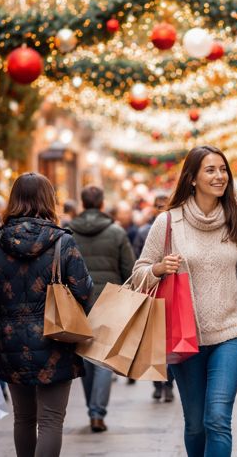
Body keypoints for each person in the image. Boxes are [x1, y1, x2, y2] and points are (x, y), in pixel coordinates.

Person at [131, 145, 237, 457]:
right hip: (184, 338)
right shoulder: (168, 223)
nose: (220, 176)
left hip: (231, 333)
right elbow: (138, 273)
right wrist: (157, 269)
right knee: (195, 424)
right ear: (192, 178)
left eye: (223, 170)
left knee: (217, 419)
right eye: (211, 170)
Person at [0, 173, 92, 457]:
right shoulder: (62, 242)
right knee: (51, 420)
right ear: (48, 200)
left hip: (11, 342)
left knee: (24, 418)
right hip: (56, 339)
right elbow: (85, 290)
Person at [69, 185, 135, 432]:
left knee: (85, 358)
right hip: (110, 300)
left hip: (78, 301)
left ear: (83, 203)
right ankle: (98, 412)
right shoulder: (116, 232)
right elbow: (129, 269)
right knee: (104, 359)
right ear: (102, 204)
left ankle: (92, 409)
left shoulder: (68, 232)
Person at [132, 191, 177, 402]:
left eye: (164, 205)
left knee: (170, 339)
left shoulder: (178, 227)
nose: (162, 208)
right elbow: (138, 262)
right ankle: (158, 384)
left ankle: (168, 384)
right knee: (155, 342)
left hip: (173, 292)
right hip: (153, 290)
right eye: (159, 205)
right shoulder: (145, 231)